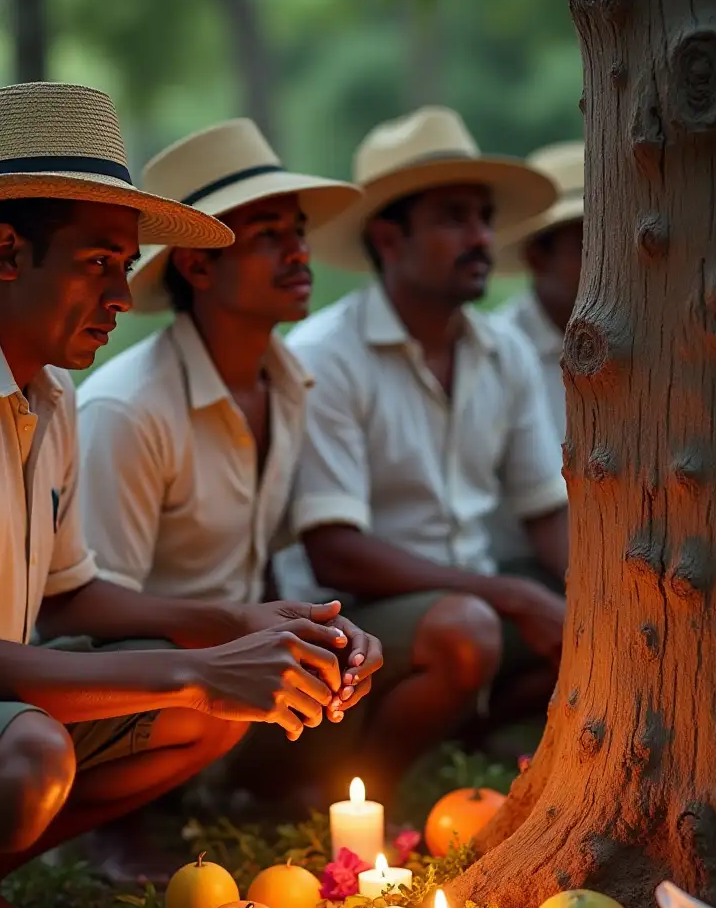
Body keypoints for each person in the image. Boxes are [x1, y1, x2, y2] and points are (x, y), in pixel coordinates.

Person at [0, 84, 379, 908]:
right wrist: (201, 673)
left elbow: (72, 599)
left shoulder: (43, 385)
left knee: (213, 712)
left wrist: (241, 628)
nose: (124, 297)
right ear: (6, 253)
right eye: (98, 263)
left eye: (127, 266)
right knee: (31, 756)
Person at [75, 118, 381, 829]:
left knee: (358, 652)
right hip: (141, 665)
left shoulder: (290, 383)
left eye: (297, 232)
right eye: (268, 235)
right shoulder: (127, 408)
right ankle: (113, 831)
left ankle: (252, 794)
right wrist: (235, 636)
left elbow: (261, 564)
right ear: (199, 266)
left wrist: (309, 631)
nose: (299, 252)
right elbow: (86, 612)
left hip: (232, 649)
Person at [279, 106, 570, 805]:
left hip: (471, 606)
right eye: (453, 218)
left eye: (483, 217)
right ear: (389, 237)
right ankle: (352, 791)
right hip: (355, 621)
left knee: (607, 622)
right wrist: (510, 594)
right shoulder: (325, 357)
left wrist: (612, 607)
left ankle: (463, 731)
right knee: (472, 629)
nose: (480, 238)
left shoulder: (503, 353)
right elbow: (335, 555)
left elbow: (546, 513)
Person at [487, 140, 584, 561]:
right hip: (527, 563)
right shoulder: (497, 353)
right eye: (588, 245)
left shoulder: (654, 348)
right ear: (536, 256)